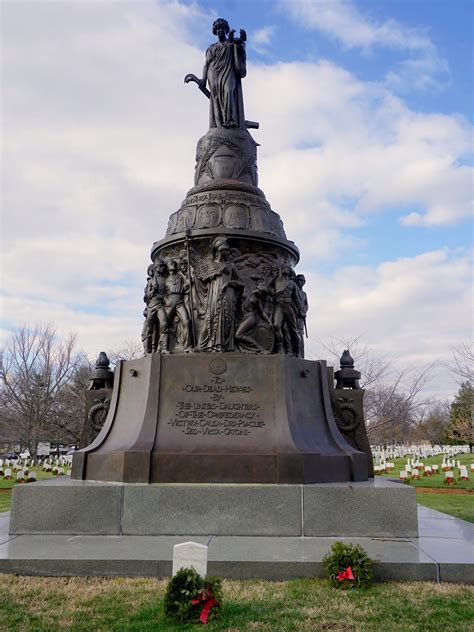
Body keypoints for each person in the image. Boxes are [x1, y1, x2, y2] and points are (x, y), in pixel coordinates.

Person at [200, 18, 247, 129]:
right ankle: (219, 124)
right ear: (215, 31)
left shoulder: (232, 43)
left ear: (226, 30)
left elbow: (241, 46)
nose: (220, 30)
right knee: (216, 98)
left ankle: (231, 120)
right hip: (214, 74)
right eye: (218, 29)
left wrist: (242, 40)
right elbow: (206, 64)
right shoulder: (212, 48)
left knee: (229, 92)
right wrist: (204, 79)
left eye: (222, 28)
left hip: (228, 72)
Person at [197, 237, 243, 351]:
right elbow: (201, 278)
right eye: (225, 251)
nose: (227, 253)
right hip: (214, 294)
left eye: (227, 251)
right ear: (218, 252)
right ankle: (209, 344)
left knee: (226, 318)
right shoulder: (211, 265)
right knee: (212, 317)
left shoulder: (231, 266)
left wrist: (230, 283)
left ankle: (225, 345)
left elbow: (240, 282)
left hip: (228, 294)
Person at [272, 266, 301, 356]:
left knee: (293, 329)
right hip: (278, 306)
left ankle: (297, 350)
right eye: (283, 268)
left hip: (288, 306)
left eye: (287, 269)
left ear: (290, 272)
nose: (285, 270)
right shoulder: (276, 281)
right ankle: (280, 347)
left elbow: (296, 299)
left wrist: (300, 311)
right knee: (276, 325)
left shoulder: (292, 284)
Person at [165, 260, 191, 351]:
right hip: (170, 302)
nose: (174, 265)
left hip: (180, 301)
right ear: (167, 267)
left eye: (175, 264)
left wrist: (187, 285)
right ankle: (163, 347)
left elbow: (187, 284)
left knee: (187, 322)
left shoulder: (180, 277)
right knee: (165, 324)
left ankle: (187, 346)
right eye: (171, 263)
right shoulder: (165, 279)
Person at [295, 274, 309, 358]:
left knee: (300, 334)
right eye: (300, 280)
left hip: (301, 318)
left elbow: (306, 305)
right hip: (294, 315)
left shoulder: (304, 294)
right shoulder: (293, 290)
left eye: (303, 281)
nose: (302, 282)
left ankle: (300, 354)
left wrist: (304, 311)